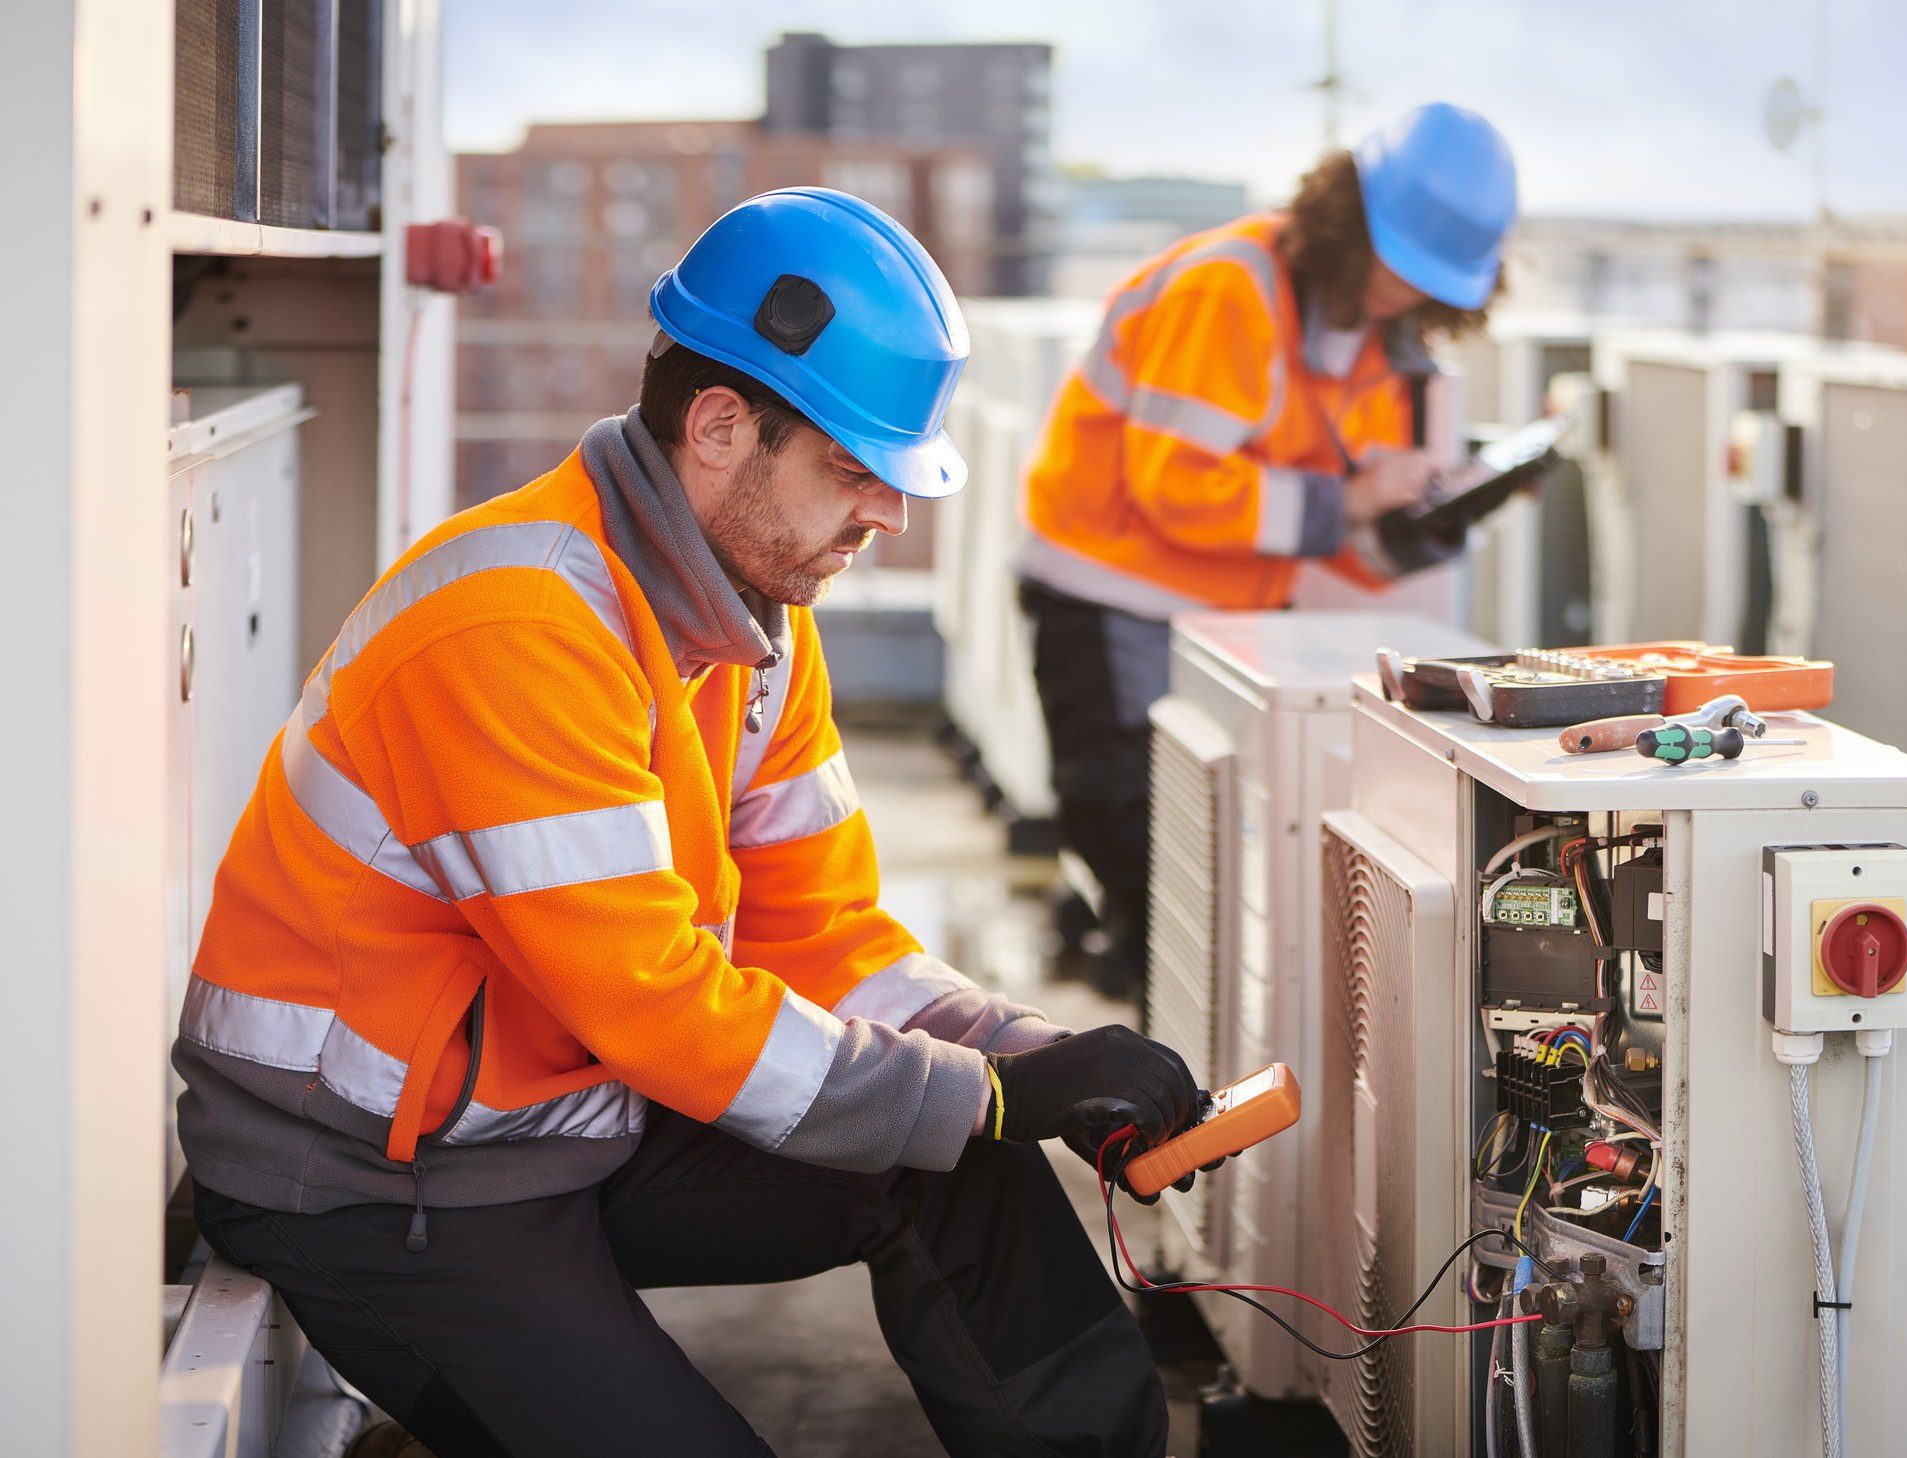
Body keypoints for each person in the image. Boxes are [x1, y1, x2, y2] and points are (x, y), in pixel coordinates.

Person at [173, 187, 1204, 1458]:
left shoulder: (761, 622)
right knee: (956, 1125)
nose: (887, 514)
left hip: (576, 1118)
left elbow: (821, 932)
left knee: (960, 1162)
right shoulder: (521, 626)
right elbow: (657, 1004)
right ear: (720, 426)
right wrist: (990, 1093)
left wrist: (1032, 1058)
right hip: (384, 1188)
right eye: (853, 469)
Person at [1016, 103, 1518, 998]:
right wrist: (1352, 499)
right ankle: (1141, 1041)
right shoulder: (1228, 288)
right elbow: (1174, 486)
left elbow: (1334, 535)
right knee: (1132, 825)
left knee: (1193, 857)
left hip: (1225, 611)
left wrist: (1432, 520)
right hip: (1112, 592)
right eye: (1394, 268)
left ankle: (1154, 1014)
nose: (1401, 295)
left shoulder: (1366, 342)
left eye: (1424, 281)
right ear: (1347, 219)